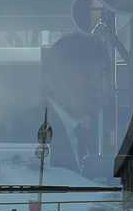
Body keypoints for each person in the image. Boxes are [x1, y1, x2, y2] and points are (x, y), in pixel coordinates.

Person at [24, 32, 112, 175]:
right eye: (85, 73)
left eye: (101, 75)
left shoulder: (86, 137)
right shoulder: (28, 130)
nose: (97, 84)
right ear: (53, 79)